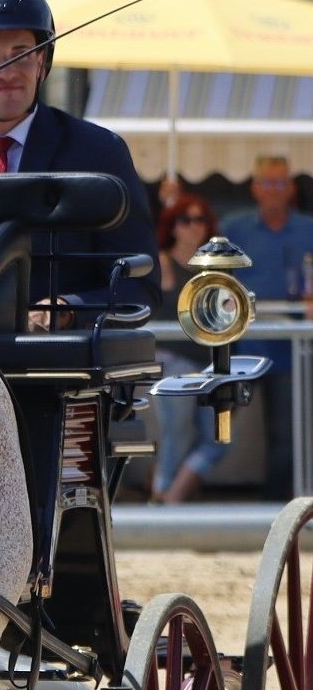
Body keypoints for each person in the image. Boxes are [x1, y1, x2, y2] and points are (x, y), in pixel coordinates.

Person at [0, 0, 158, 317]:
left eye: (22, 54)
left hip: (52, 357)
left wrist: (68, 308)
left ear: (42, 62)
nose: (6, 71)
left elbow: (141, 283)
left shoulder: (99, 151)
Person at [220, 154, 313, 501]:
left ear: (291, 188)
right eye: (268, 182)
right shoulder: (235, 227)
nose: (274, 190)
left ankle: (274, 506)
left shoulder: (307, 229)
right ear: (255, 187)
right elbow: (216, 279)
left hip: (293, 347)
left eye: (281, 182)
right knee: (217, 419)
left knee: (287, 434)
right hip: (244, 343)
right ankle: (175, 491)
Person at [150, 192, 228, 503]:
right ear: (172, 225)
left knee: (218, 440)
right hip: (174, 363)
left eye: (201, 219)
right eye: (186, 219)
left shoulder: (216, 266)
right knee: (176, 435)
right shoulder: (162, 261)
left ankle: (168, 499)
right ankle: (162, 501)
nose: (194, 226)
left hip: (210, 364)